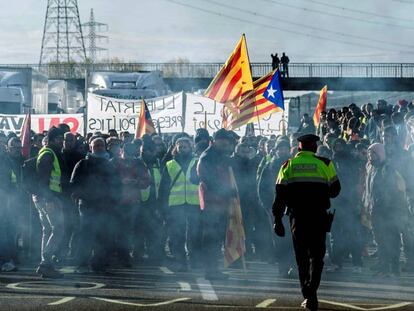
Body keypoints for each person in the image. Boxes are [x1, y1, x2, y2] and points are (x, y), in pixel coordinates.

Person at [273, 134, 341, 311]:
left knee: (301, 257)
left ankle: (309, 294)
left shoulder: (287, 165)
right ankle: (312, 291)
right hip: (319, 216)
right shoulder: (325, 164)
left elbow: (279, 195)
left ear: (299, 148)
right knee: (317, 257)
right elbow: (335, 191)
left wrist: (277, 219)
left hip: (297, 218)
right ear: (315, 147)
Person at [70, 137, 120, 273]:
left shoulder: (110, 165)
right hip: (87, 205)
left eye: (101, 145)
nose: (99, 148)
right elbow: (74, 184)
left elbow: (117, 185)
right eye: (96, 145)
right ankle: (81, 264)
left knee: (104, 236)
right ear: (90, 147)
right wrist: (82, 195)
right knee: (86, 235)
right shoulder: (83, 163)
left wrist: (114, 201)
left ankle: (98, 264)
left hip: (105, 206)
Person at [363, 143, 408, 276]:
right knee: (380, 240)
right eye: (370, 154)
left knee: (392, 240)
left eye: (373, 154)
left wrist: (391, 207)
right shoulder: (371, 168)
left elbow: (395, 190)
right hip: (376, 210)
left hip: (389, 211)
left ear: (380, 154)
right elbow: (369, 190)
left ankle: (393, 268)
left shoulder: (387, 168)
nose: (371, 156)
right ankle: (384, 267)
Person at [197, 129, 236, 279]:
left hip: (220, 203)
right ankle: (210, 270)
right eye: (223, 140)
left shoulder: (220, 156)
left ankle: (214, 269)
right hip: (212, 202)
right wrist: (226, 191)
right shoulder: (207, 157)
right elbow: (210, 180)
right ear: (215, 140)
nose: (226, 143)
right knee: (211, 238)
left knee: (217, 237)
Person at [159, 137, 201, 271]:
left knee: (194, 234)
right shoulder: (170, 164)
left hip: (194, 204)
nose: (182, 149)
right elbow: (163, 187)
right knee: (177, 234)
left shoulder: (197, 162)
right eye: (180, 146)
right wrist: (162, 206)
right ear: (175, 148)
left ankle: (194, 259)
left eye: (185, 146)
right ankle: (180, 261)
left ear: (191, 147)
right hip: (175, 205)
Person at [111, 143, 150, 267]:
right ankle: (120, 256)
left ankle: (132, 255)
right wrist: (119, 182)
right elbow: (106, 179)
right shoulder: (114, 163)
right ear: (121, 150)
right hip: (117, 202)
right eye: (126, 151)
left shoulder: (138, 164)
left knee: (133, 230)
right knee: (118, 230)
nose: (127, 154)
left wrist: (135, 182)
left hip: (133, 202)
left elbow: (146, 181)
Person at [33, 127, 65, 278]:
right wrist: (49, 199)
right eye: (60, 139)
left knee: (48, 230)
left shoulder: (48, 152)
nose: (62, 142)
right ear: (52, 140)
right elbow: (42, 179)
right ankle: (45, 264)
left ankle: (46, 264)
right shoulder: (48, 154)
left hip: (44, 197)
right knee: (58, 229)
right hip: (48, 197)